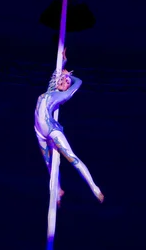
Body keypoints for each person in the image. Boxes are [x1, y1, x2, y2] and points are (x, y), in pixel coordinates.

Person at [34, 48, 104, 205]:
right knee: (49, 164)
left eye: (66, 82)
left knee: (72, 158)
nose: (63, 81)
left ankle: (95, 188)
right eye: (62, 80)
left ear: (67, 88)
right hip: (39, 131)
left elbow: (78, 82)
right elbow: (55, 75)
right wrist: (64, 62)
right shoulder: (51, 90)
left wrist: (70, 76)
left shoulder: (63, 95)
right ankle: (57, 190)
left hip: (52, 130)